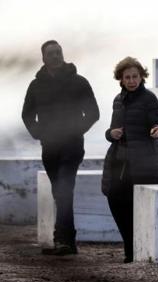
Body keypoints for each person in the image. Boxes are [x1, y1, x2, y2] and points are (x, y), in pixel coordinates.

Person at [22, 40, 100, 255]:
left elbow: (93, 112)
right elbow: (27, 114)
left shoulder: (79, 82)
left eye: (59, 52)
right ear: (44, 58)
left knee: (64, 189)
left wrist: (76, 131)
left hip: (72, 146)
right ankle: (69, 241)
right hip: (49, 148)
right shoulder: (36, 85)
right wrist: (40, 133)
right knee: (60, 192)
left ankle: (61, 240)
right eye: (51, 53)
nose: (56, 56)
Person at [101, 57, 158, 263]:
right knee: (114, 200)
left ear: (141, 77)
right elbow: (111, 131)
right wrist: (111, 134)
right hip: (119, 162)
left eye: (135, 76)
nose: (131, 81)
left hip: (144, 162)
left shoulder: (148, 99)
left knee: (137, 207)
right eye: (127, 77)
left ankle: (134, 252)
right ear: (120, 79)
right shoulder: (118, 100)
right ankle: (130, 247)